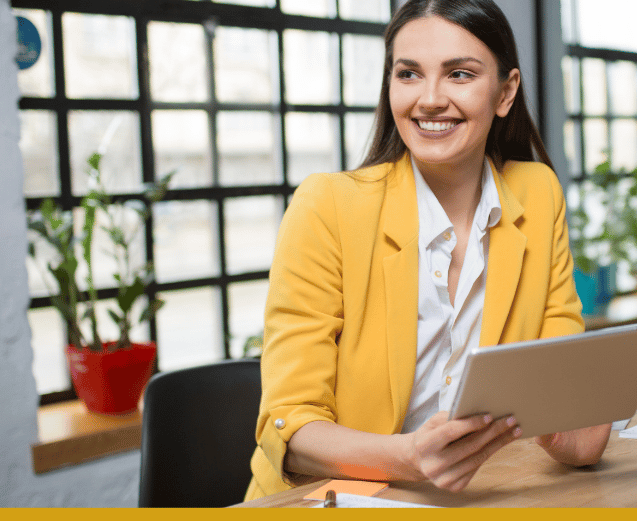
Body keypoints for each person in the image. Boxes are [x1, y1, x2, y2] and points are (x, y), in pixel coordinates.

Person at [244, 0, 611, 501]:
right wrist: (411, 458)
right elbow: (291, 429)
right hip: (329, 502)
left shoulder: (537, 194)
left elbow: (564, 398)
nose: (430, 99)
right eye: (409, 74)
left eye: (459, 74)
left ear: (505, 93)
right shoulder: (328, 206)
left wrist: (570, 429)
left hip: (472, 496)